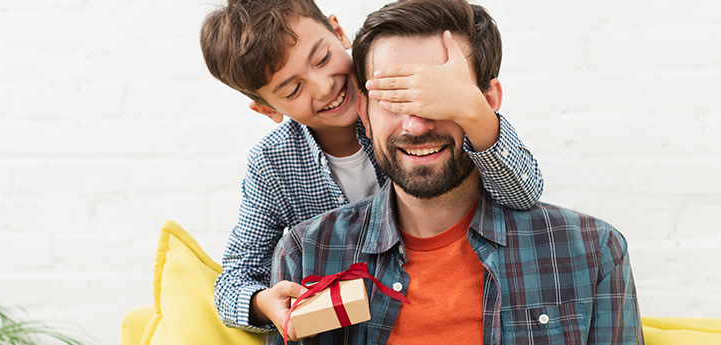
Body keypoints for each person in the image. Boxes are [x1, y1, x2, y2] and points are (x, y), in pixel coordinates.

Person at [270, 0, 643, 343]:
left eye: (439, 97)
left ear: (488, 102)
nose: (414, 125)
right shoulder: (306, 255)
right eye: (392, 99)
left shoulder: (593, 252)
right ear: (365, 114)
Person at [200, 0, 545, 335]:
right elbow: (234, 276)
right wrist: (263, 303)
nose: (325, 87)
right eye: (292, 90)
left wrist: (472, 108)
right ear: (267, 110)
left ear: (338, 32)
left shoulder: (415, 114)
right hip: (364, 321)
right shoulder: (273, 164)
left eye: (322, 59)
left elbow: (524, 191)